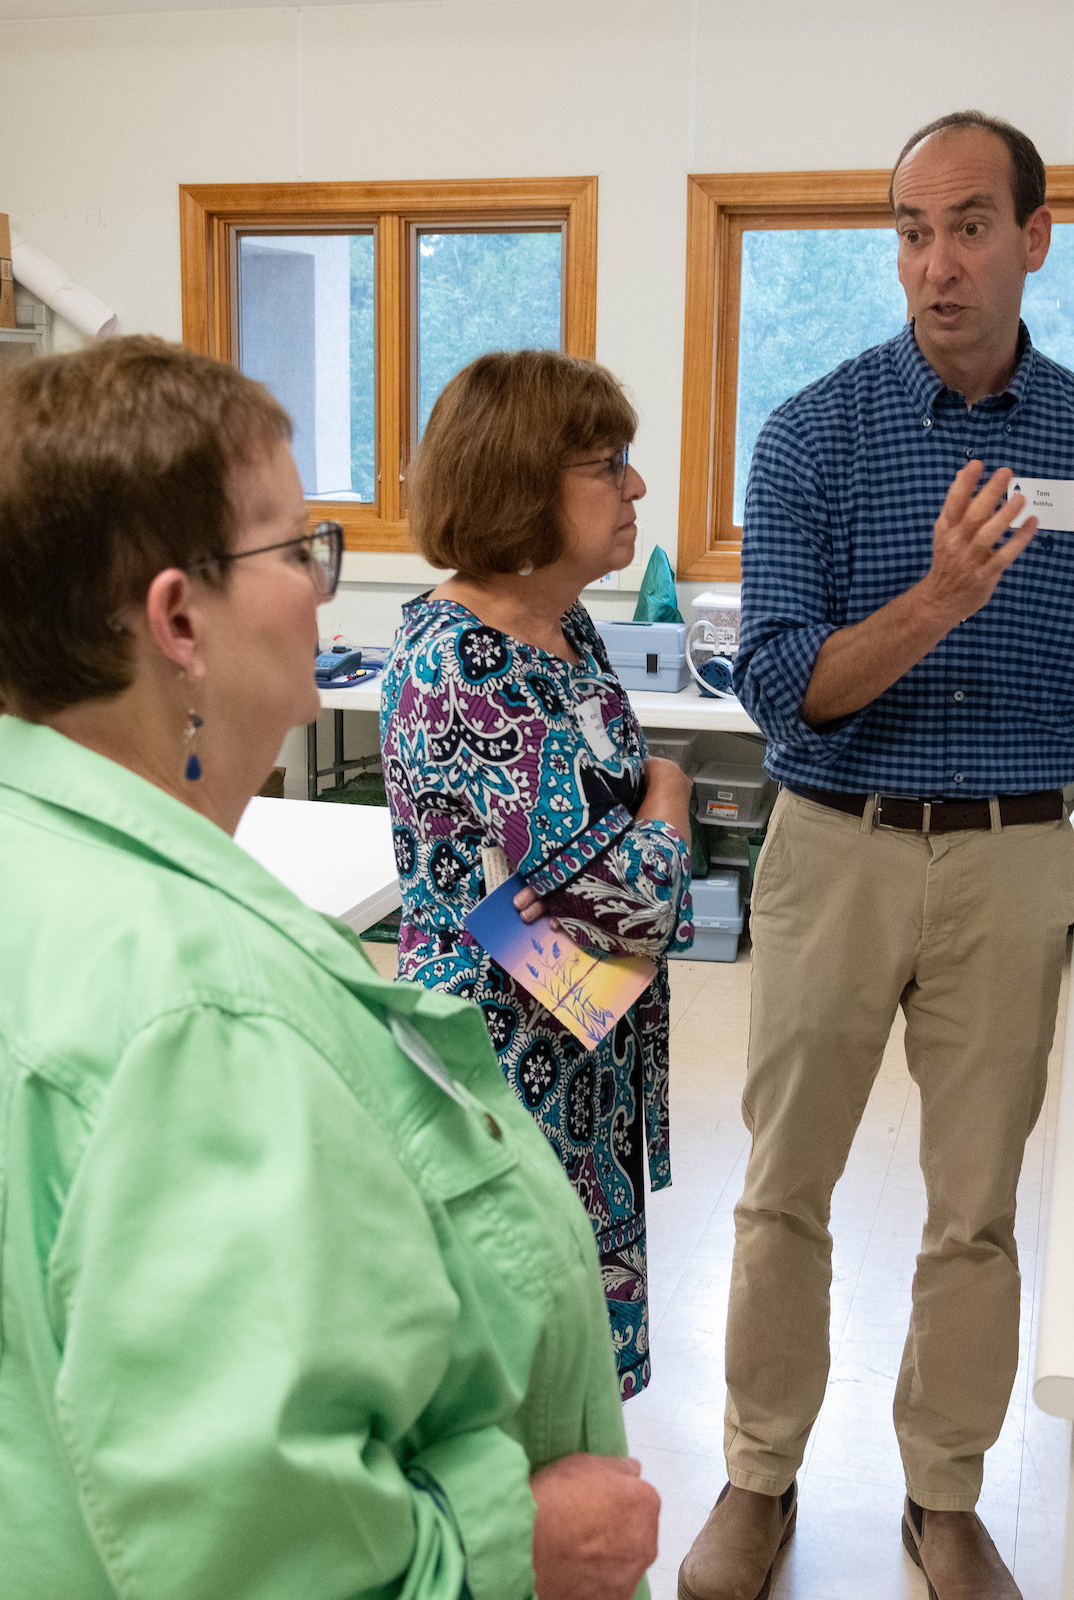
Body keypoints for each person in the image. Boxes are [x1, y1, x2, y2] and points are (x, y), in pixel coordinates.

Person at [0, 336, 660, 1600]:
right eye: (297, 550)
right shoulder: (198, 1009)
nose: (322, 589)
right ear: (180, 618)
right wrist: (516, 1544)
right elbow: (263, 1551)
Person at [676, 112, 1074, 1600]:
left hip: (1012, 857)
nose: (939, 264)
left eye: (972, 226)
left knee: (978, 1205)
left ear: (1037, 238)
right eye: (913, 231)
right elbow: (788, 683)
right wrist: (937, 598)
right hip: (835, 849)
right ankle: (757, 1472)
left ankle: (944, 1496)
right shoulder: (811, 433)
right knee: (783, 1187)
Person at [382, 350, 695, 1401]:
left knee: (573, 1388)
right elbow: (627, 919)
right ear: (520, 488)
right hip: (507, 1076)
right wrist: (670, 797)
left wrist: (593, 904)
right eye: (607, 465)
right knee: (518, 1391)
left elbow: (592, 928)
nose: (636, 488)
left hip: (577, 1056)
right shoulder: (460, 663)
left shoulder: (560, 628)